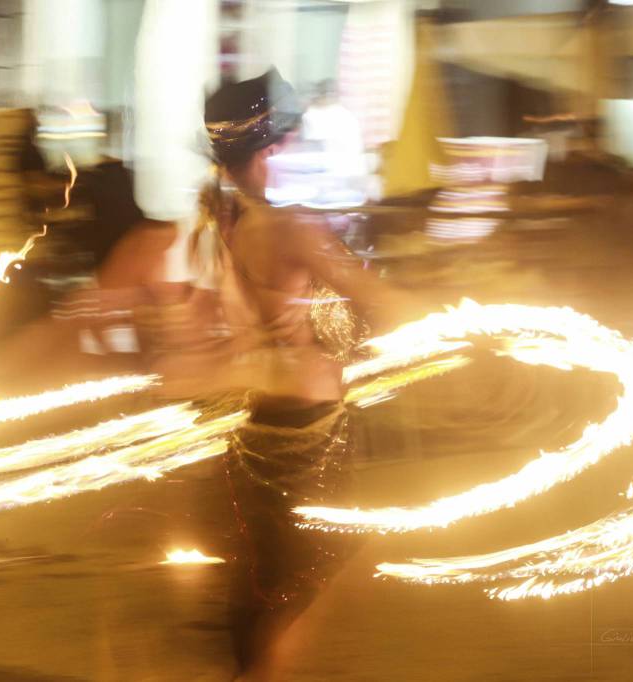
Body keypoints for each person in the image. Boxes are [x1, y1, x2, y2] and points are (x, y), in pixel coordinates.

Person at [201, 68, 415, 680]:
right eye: (290, 140)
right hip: (309, 432)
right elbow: (380, 297)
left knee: (275, 585)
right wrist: (470, 320)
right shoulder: (294, 226)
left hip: (255, 424)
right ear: (271, 149)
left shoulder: (216, 224)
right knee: (313, 580)